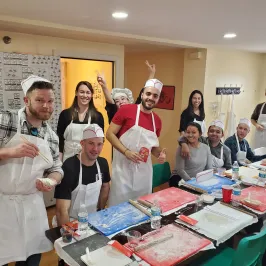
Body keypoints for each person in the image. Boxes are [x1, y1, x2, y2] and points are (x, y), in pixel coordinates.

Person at [0, 75, 63, 266]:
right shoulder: (6, 120)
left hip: (32, 204)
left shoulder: (51, 136)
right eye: (40, 100)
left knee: (32, 256)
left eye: (50, 101)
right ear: (26, 100)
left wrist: (51, 180)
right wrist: (10, 152)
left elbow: (56, 168)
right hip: (3, 202)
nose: (46, 106)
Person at [106, 78, 166, 206]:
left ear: (158, 99)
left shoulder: (157, 121)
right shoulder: (126, 110)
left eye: (155, 96)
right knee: (119, 207)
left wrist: (160, 154)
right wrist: (126, 152)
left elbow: (153, 148)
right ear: (142, 94)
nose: (150, 98)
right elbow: (110, 134)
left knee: (142, 207)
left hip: (144, 173)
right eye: (148, 94)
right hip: (123, 171)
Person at [55, 124, 110, 225]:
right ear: (82, 143)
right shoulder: (69, 167)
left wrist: (101, 211)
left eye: (99, 144)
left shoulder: (103, 163)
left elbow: (105, 186)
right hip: (71, 222)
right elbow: (61, 210)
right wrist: (69, 234)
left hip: (93, 220)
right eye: (91, 143)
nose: (95, 149)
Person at [57, 80, 104, 162]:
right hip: (67, 160)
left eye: (88, 92)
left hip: (89, 161)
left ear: (92, 95)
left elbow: (99, 142)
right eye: (82, 92)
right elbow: (60, 141)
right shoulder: (65, 114)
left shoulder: (97, 116)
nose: (85, 95)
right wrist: (59, 164)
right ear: (76, 93)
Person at [169, 122, 213, 187]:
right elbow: (180, 170)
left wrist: (206, 180)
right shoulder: (182, 148)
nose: (190, 135)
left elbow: (209, 168)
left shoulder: (206, 148)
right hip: (180, 179)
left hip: (197, 181)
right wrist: (191, 183)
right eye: (188, 132)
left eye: (193, 132)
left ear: (200, 134)